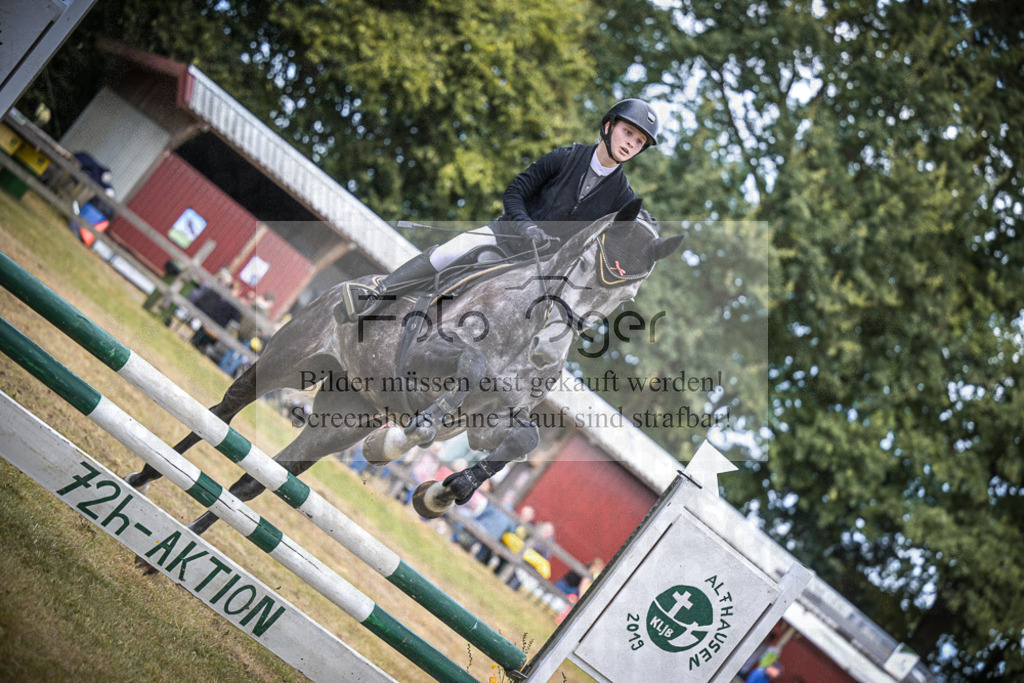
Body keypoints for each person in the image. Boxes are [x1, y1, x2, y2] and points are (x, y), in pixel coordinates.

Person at [335, 98, 660, 322]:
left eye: (639, 141)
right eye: (628, 132)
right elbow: (515, 192)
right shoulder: (565, 157)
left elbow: (624, 236)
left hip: (541, 272)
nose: (631, 143)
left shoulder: (622, 197)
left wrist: (647, 229)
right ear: (608, 126)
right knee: (450, 252)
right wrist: (525, 226)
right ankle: (376, 295)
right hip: (505, 237)